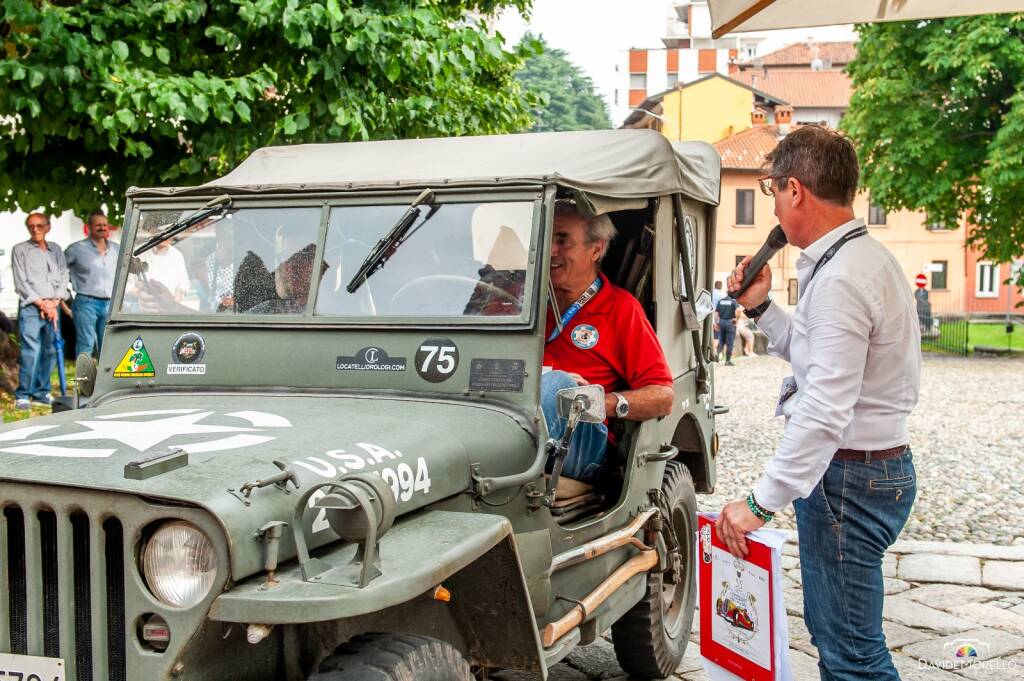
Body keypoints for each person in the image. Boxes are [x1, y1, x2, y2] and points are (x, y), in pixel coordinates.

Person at [715, 125, 920, 681]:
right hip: (872, 470)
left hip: (849, 480)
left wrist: (759, 503)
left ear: (796, 190)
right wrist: (760, 308)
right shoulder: (859, 260)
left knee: (851, 653)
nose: (774, 206)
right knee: (842, 640)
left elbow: (826, 407)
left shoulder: (842, 280)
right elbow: (811, 356)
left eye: (772, 191)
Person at [541, 200, 674, 488]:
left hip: (580, 442)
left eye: (562, 240)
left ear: (596, 249)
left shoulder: (621, 310)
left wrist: (594, 401)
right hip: (513, 424)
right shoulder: (522, 303)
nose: (550, 250)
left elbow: (663, 395)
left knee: (556, 385)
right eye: (545, 238)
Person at [12, 213, 70, 409]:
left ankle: (41, 392)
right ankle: (23, 394)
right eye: (31, 226)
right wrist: (42, 304)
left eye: (39, 226)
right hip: (31, 307)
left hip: (53, 306)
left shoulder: (56, 250)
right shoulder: (19, 250)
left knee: (52, 349)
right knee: (31, 350)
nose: (35, 229)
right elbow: (21, 282)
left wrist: (54, 303)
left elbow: (64, 276)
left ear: (48, 227)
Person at [65, 210, 119, 356]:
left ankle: (103, 379)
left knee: (107, 346)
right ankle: (84, 378)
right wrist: (66, 289)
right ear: (89, 226)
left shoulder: (116, 249)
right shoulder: (76, 249)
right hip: (86, 302)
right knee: (86, 344)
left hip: (110, 303)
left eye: (105, 225)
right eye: (98, 225)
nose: (102, 227)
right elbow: (60, 272)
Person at [714, 293, 739, 365]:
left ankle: (717, 356)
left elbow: (716, 313)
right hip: (730, 322)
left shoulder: (721, 301)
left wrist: (716, 323)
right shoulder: (733, 301)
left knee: (721, 340)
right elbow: (738, 311)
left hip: (721, 322)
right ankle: (728, 361)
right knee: (730, 342)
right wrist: (737, 319)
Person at [711, 280, 725, 354]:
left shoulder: (711, 293)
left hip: (710, 315)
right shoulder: (722, 295)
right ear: (721, 286)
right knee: (717, 336)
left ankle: (712, 352)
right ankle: (714, 352)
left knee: (711, 335)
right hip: (718, 316)